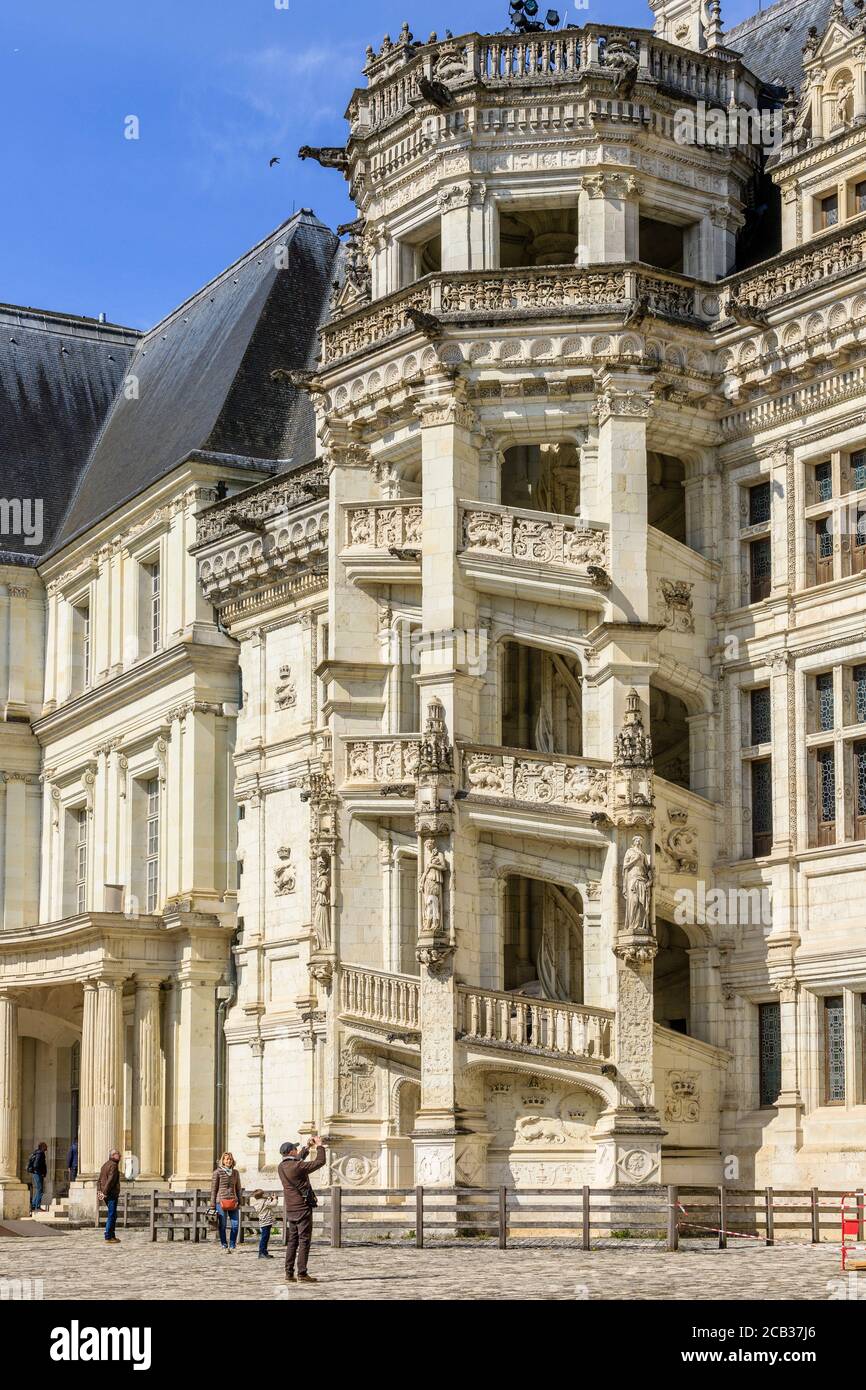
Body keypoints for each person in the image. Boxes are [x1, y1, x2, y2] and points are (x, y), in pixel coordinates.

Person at [277, 1135, 326, 1284]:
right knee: (304, 1240)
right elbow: (320, 1161)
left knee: (292, 1241)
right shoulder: (298, 1167)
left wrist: (307, 1147)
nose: (297, 1150)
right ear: (291, 1152)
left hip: (290, 1209)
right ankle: (302, 1273)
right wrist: (319, 1145)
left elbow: (297, 1159)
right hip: (302, 1208)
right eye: (295, 1148)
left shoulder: (282, 1167)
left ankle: (289, 1272)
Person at [209, 1152, 242, 1253]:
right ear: (222, 1161)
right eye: (226, 1159)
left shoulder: (235, 1173)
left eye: (230, 1159)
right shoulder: (217, 1172)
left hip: (233, 1201)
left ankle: (232, 1245)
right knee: (222, 1225)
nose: (228, 1161)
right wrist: (212, 1205)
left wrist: (240, 1201)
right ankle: (224, 1244)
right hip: (221, 1202)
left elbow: (238, 1188)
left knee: (235, 1225)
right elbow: (214, 1190)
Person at [97, 1149, 122, 1244]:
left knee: (113, 1214)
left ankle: (112, 1235)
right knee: (112, 1215)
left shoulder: (105, 1165)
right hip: (110, 1193)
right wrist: (104, 1192)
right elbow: (110, 1181)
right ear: (113, 1155)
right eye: (118, 1154)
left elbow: (99, 1180)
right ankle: (108, 1236)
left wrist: (100, 1192)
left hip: (106, 1193)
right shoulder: (113, 1165)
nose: (120, 1156)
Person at [250, 1188, 280, 1259]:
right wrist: (275, 1199)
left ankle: (264, 1252)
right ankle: (261, 1253)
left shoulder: (258, 1202)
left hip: (263, 1221)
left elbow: (266, 1205)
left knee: (265, 1237)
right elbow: (273, 1204)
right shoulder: (264, 1202)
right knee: (265, 1238)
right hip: (267, 1221)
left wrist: (269, 1199)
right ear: (262, 1195)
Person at [26, 1141, 48, 1214]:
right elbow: (36, 1164)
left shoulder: (37, 1152)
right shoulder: (40, 1153)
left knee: (39, 1189)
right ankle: (37, 1206)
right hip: (38, 1173)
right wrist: (41, 1172)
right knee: (40, 1190)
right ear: (42, 1147)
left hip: (36, 1173)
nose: (47, 1148)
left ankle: (33, 1205)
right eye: (45, 1146)